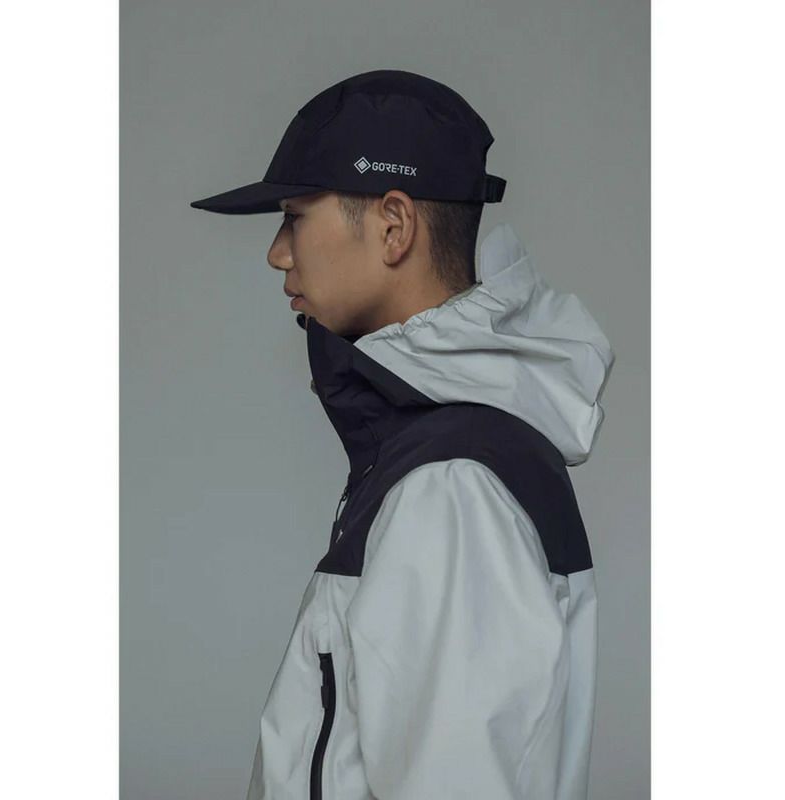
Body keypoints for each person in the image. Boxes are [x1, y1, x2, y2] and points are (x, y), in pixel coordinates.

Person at [190, 69, 614, 800]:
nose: (278, 253)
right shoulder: (440, 455)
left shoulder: (452, 488)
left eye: (295, 217)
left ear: (394, 225)